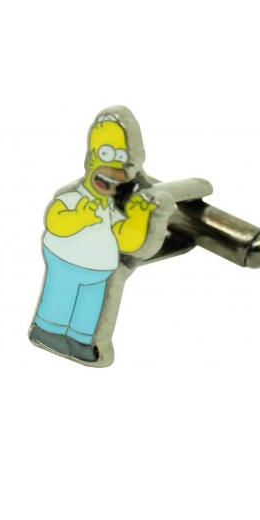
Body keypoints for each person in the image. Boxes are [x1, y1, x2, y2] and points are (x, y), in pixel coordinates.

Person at [30, 109, 156, 364]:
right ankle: (48, 330)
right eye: (106, 156)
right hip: (66, 261)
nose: (112, 172)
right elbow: (55, 221)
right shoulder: (75, 197)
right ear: (90, 160)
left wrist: (139, 219)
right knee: (61, 295)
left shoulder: (111, 208)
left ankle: (81, 339)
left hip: (99, 271)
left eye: (120, 162)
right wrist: (79, 217)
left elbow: (127, 240)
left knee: (90, 307)